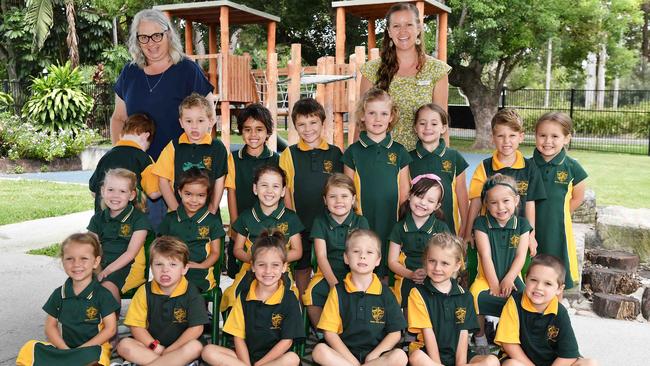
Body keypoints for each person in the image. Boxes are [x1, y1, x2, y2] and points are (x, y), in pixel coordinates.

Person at [111, 9, 213, 161]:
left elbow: (209, 117)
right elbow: (118, 118)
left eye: (157, 36)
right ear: (137, 40)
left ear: (169, 34)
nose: (151, 43)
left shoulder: (187, 69)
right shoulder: (129, 72)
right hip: (138, 170)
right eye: (144, 37)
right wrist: (120, 156)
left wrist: (193, 159)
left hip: (179, 169)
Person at [464, 108, 545, 286]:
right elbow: (476, 202)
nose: (506, 141)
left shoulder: (530, 168)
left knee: (518, 273)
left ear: (521, 137)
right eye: (500, 136)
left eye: (512, 136)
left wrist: (531, 234)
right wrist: (467, 232)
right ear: (493, 138)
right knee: (486, 271)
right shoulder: (484, 167)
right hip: (491, 233)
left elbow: (530, 203)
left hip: (518, 234)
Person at [202, 230, 304, 366]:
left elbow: (287, 342)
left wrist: (259, 364)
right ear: (253, 266)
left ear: (284, 267)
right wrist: (247, 363)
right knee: (208, 351)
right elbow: (238, 338)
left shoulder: (289, 298)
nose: (268, 271)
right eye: (262, 265)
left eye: (275, 265)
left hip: (274, 360)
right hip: (245, 358)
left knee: (292, 358)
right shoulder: (243, 296)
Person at [16, 233, 119, 366]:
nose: (76, 264)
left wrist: (81, 350)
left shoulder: (103, 294)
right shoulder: (59, 294)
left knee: (96, 358)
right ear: (62, 261)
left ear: (96, 262)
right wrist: (65, 350)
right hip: (64, 349)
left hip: (92, 349)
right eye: (70, 258)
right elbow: (50, 327)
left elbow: (110, 329)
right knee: (30, 348)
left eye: (84, 258)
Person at [359, 3, 451, 150]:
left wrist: (444, 163)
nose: (403, 31)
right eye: (396, 26)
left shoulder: (437, 70)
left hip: (422, 161)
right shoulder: (371, 70)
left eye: (408, 24)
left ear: (419, 28)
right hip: (380, 161)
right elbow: (361, 123)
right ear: (389, 31)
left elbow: (442, 124)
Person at [312, 229, 408, 366]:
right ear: (346, 257)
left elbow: (395, 334)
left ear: (378, 260)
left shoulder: (386, 293)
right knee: (319, 351)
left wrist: (373, 357)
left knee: (400, 356)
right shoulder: (337, 292)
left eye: (369, 252)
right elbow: (329, 333)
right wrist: (352, 361)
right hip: (344, 356)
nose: (362, 256)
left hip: (376, 357)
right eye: (356, 251)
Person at [343, 88, 411, 278]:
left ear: (391, 117)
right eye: (371, 113)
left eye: (383, 113)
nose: (377, 118)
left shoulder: (399, 151)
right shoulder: (353, 152)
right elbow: (347, 189)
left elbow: (404, 191)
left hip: (391, 220)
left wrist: (404, 222)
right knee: (363, 265)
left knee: (388, 268)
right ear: (362, 116)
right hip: (362, 220)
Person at [280, 97, 343, 297]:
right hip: (302, 223)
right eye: (301, 124)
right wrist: (293, 223)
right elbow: (286, 190)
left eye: (313, 122)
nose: (308, 129)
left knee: (329, 265)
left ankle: (329, 308)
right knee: (302, 267)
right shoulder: (289, 154)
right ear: (295, 127)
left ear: (323, 123)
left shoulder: (335, 154)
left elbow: (341, 189)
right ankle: (302, 309)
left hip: (329, 225)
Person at [220, 165, 304, 312]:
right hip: (250, 269)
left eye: (276, 186)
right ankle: (238, 331)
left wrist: (276, 261)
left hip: (281, 272)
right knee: (234, 296)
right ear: (255, 188)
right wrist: (254, 260)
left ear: (283, 191)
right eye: (264, 185)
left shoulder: (291, 218)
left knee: (289, 297)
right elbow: (237, 249)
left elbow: (297, 251)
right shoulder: (246, 217)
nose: (269, 191)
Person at [407, 232, 499, 366]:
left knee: (493, 361)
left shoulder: (465, 296)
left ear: (457, 265)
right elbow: (428, 334)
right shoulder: (417, 293)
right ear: (425, 260)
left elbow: (463, 336)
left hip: (459, 355)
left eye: (445, 263)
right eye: (432, 261)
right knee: (416, 357)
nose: (437, 268)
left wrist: (460, 364)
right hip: (428, 353)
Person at [116, 236, 207, 365]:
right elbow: (136, 326)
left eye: (173, 264)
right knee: (124, 345)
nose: (165, 270)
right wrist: (155, 347)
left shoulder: (191, 291)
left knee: (195, 347)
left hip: (181, 347)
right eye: (159, 264)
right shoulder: (144, 291)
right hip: (153, 348)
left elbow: (196, 329)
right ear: (151, 268)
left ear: (184, 269)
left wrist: (170, 350)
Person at [495, 254, 598, 366]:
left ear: (559, 289)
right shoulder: (514, 303)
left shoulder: (560, 312)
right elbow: (509, 343)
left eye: (548, 283)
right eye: (533, 280)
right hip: (521, 361)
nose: (539, 287)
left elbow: (569, 354)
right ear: (526, 279)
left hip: (552, 362)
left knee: (590, 363)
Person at [469, 174, 532, 346]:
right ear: (486, 204)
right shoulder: (481, 223)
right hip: (486, 278)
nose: (500, 207)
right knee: (475, 297)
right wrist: (495, 285)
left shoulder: (522, 225)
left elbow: (520, 256)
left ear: (516, 200)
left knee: (526, 301)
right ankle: (480, 336)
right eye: (494, 203)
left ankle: (510, 336)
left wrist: (509, 278)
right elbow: (485, 255)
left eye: (506, 201)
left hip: (513, 277)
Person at [303, 173, 369, 328]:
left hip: (356, 272)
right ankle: (325, 333)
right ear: (325, 201)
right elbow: (321, 257)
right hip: (327, 273)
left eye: (344, 196)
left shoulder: (361, 221)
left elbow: (364, 253)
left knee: (362, 295)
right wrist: (334, 284)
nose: (339, 201)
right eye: (333, 196)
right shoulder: (320, 222)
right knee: (310, 295)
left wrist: (353, 279)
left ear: (353, 199)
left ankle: (352, 333)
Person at [533, 112, 588, 289]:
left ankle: (555, 306)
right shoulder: (527, 165)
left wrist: (561, 215)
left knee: (556, 269)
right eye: (542, 135)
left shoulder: (573, 167)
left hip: (557, 229)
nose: (548, 141)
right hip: (530, 227)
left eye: (555, 136)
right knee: (530, 266)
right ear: (535, 136)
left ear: (566, 138)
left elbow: (578, 197)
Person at [225, 103, 280, 277]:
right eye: (248, 129)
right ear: (241, 131)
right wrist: (235, 226)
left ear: (268, 132)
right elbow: (231, 193)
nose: (253, 135)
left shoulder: (277, 160)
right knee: (241, 277)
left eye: (259, 129)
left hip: (270, 229)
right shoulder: (233, 159)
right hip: (243, 231)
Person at [152, 93, 228, 214]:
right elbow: (162, 180)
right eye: (188, 121)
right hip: (178, 213)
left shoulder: (217, 148)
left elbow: (220, 180)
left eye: (200, 120)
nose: (194, 126)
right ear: (181, 123)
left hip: (208, 214)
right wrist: (175, 210)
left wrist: (213, 209)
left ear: (210, 121)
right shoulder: (173, 147)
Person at [87, 168, 151, 303]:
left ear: (132, 195)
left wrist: (107, 271)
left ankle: (111, 322)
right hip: (101, 264)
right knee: (79, 284)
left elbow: (130, 253)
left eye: (122, 191)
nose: (115, 195)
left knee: (107, 287)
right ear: (103, 191)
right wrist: (96, 269)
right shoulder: (97, 219)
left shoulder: (139, 219)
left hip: (128, 266)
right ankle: (87, 321)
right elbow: (90, 248)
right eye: (111, 190)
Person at [158, 168, 225, 292]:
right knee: (159, 288)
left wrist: (202, 266)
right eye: (188, 194)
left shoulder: (212, 221)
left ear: (207, 195)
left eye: (200, 195)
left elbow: (215, 252)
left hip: (199, 273)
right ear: (180, 192)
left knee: (188, 289)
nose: (194, 200)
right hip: (173, 270)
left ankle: (195, 310)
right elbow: (161, 247)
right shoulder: (170, 219)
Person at [387, 174, 450, 307]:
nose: (423, 203)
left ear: (437, 206)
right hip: (407, 276)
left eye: (430, 201)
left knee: (439, 299)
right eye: (419, 196)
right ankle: (407, 327)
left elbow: (448, 258)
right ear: (410, 195)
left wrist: (432, 273)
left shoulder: (441, 227)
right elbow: (392, 262)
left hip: (436, 274)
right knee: (407, 298)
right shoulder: (399, 227)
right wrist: (411, 274)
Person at [409, 104, 469, 235]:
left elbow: (462, 194)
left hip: (449, 231)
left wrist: (466, 226)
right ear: (415, 128)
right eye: (422, 123)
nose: (428, 128)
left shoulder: (454, 157)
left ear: (443, 128)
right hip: (416, 233)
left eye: (434, 124)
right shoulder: (407, 159)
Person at [89, 113, 160, 212]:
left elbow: (93, 192)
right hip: (131, 222)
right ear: (146, 136)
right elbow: (154, 193)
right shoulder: (144, 158)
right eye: (148, 145)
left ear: (121, 135)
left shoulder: (106, 157)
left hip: (102, 222)